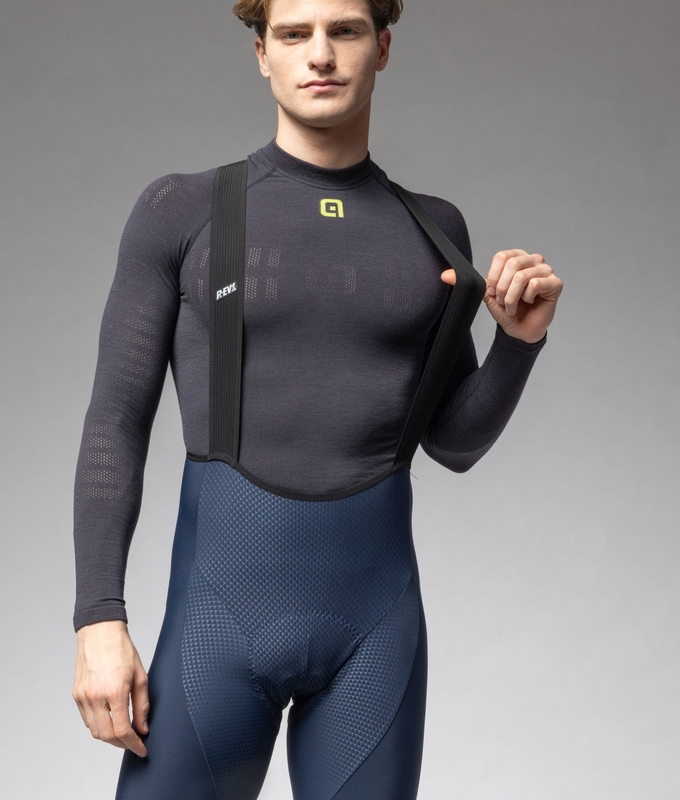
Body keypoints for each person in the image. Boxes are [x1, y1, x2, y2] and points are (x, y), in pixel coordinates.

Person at [71, 0, 563, 797]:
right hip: (216, 626)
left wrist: (519, 342)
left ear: (383, 47)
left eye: (346, 30)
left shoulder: (433, 229)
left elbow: (454, 444)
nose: (321, 55)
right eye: (295, 34)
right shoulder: (183, 210)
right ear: (262, 53)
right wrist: (99, 617)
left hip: (375, 632)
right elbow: (115, 422)